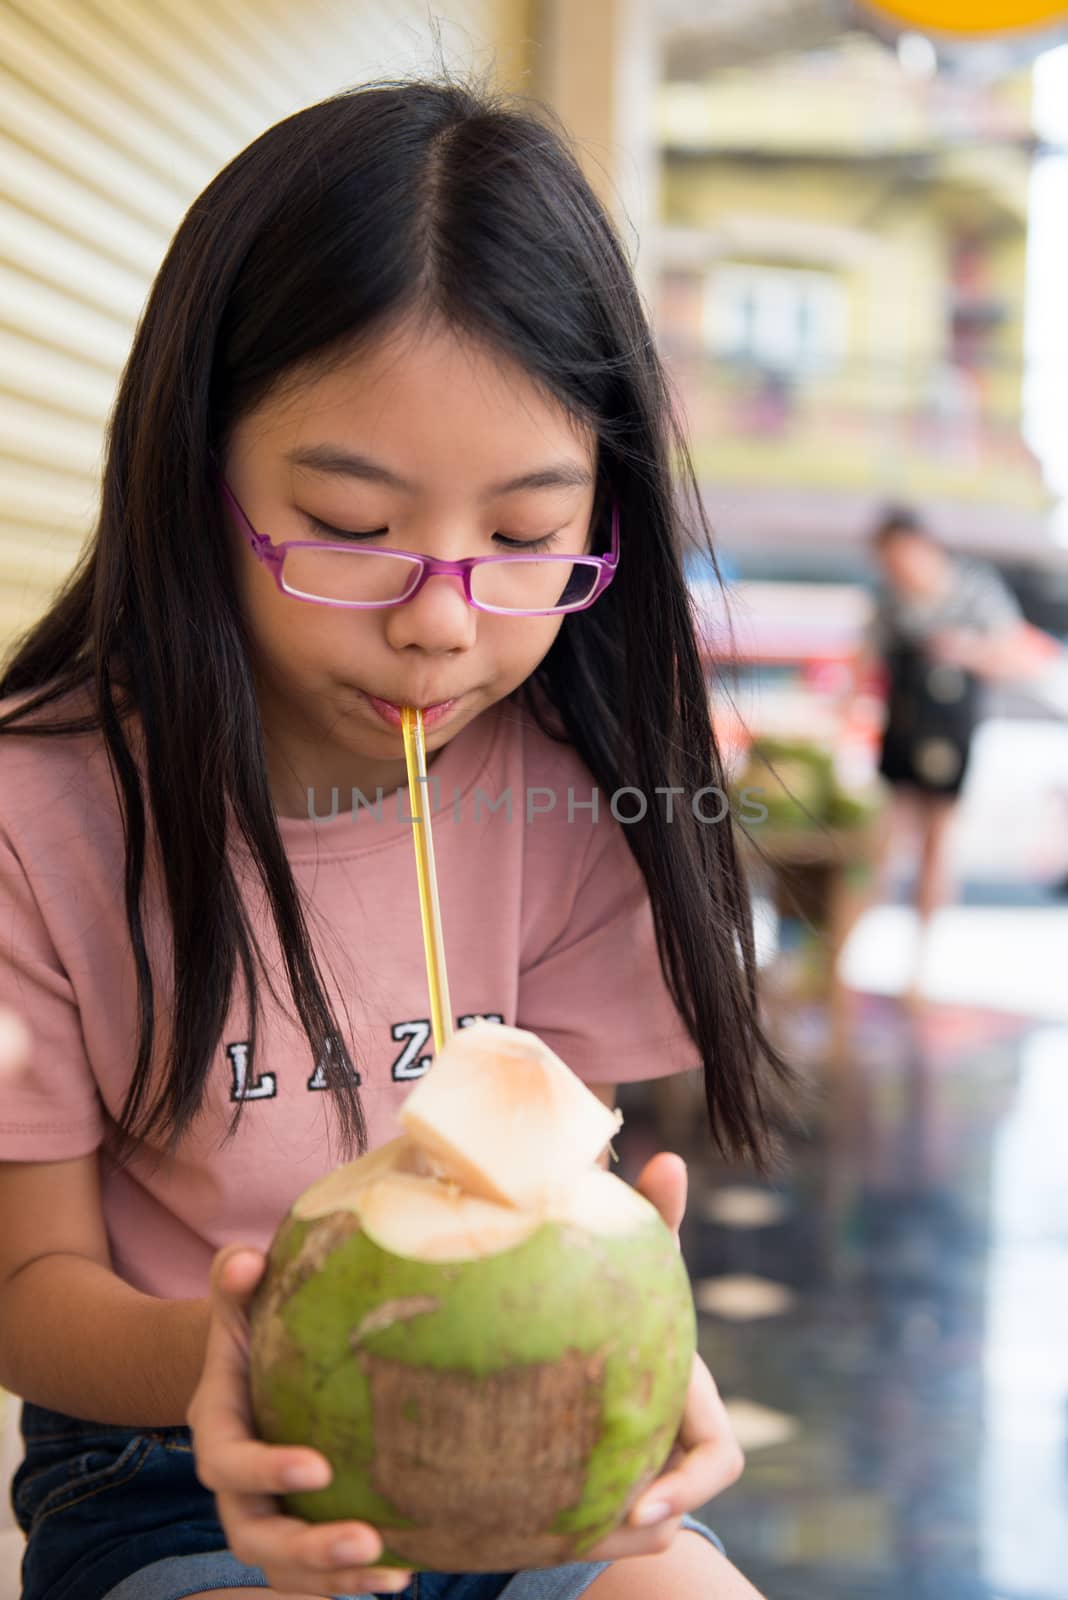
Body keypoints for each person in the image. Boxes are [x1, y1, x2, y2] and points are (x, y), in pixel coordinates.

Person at [0, 82, 786, 1600]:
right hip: (176, 1467)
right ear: (196, 470)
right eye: (348, 526)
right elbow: (25, 1285)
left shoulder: (578, 790)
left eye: (520, 539)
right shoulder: (40, 817)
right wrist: (254, 1350)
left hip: (521, 1454)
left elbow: (558, 1193)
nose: (437, 619)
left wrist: (638, 1319)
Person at [853, 504, 1034, 989]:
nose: (897, 570)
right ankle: (848, 953)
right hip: (901, 733)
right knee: (881, 844)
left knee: (936, 843)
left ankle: (921, 966)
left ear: (921, 546)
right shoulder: (889, 601)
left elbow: (1017, 656)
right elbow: (863, 662)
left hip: (952, 734)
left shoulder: (975, 589)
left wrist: (962, 649)